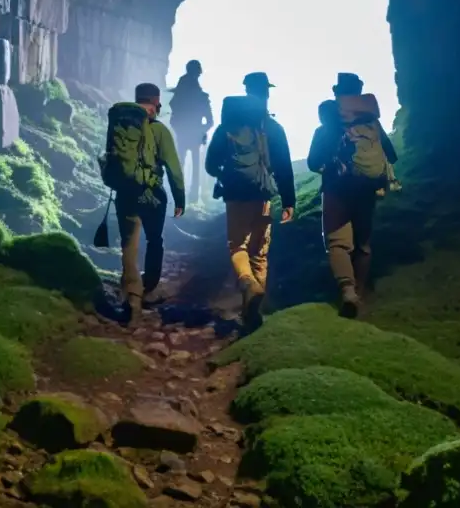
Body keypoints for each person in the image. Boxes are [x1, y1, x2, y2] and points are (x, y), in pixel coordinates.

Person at [205, 72, 296, 330]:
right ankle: (252, 312)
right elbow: (284, 167)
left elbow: (211, 164)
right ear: (266, 93)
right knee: (259, 253)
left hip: (235, 195)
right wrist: (289, 201)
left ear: (246, 91)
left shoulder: (227, 127)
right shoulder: (273, 128)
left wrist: (225, 174)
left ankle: (247, 284)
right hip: (263, 195)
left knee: (237, 247)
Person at [307, 72, 398, 318]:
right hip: (367, 190)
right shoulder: (372, 123)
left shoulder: (327, 126)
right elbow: (392, 154)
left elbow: (313, 162)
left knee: (338, 243)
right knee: (363, 244)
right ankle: (360, 292)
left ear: (337, 95)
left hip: (336, 190)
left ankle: (347, 291)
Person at [99, 83, 186, 324]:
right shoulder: (160, 130)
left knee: (129, 246)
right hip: (153, 195)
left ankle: (132, 299)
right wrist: (180, 198)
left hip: (125, 193)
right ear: (156, 103)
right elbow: (174, 169)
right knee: (154, 240)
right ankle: (148, 287)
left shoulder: (121, 123)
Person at [168, 60, 214, 206]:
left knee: (181, 163)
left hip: (185, 133)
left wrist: (180, 128)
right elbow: (210, 121)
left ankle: (180, 195)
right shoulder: (199, 96)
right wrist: (201, 131)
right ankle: (191, 197)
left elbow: (173, 112)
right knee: (192, 165)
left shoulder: (182, 92)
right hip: (192, 134)